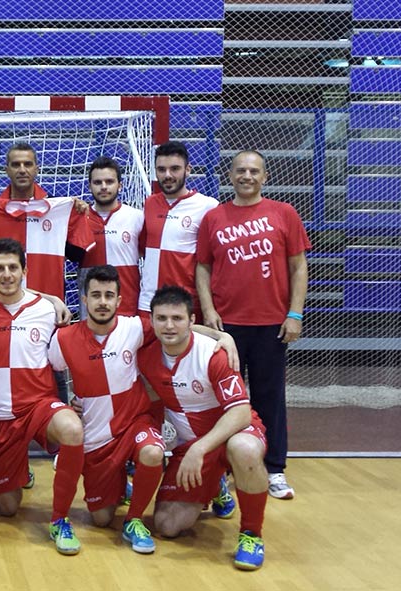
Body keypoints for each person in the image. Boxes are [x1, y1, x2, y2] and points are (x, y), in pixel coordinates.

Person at [195, 150, 311, 500]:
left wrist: (295, 313)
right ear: (230, 175)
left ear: (265, 176)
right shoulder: (214, 217)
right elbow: (203, 267)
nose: (247, 176)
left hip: (271, 324)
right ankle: (221, 469)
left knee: (269, 397)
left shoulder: (284, 213)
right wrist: (208, 310)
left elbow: (298, 267)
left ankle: (274, 468)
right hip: (226, 325)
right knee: (222, 400)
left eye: (254, 171)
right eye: (241, 170)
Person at [139, 285, 271, 571]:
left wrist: (200, 447)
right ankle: (216, 485)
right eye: (161, 318)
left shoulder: (214, 354)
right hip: (192, 447)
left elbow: (240, 412)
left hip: (229, 435)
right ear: (151, 321)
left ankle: (251, 534)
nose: (169, 325)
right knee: (166, 526)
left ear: (191, 320)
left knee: (244, 449)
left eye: (177, 318)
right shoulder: (147, 356)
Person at [0, 238, 85, 554]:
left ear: (24, 270)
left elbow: (73, 351)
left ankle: (60, 519)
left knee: (73, 429)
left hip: (38, 405)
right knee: (8, 508)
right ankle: (19, 469)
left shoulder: (47, 309)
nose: (6, 274)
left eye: (12, 267)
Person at [48, 265, 165, 555]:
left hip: (134, 423)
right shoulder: (63, 339)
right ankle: (117, 486)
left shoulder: (135, 327)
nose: (102, 302)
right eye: (96, 295)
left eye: (109, 295)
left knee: (153, 453)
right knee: (101, 518)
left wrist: (221, 338)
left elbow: (179, 328)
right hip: (97, 436)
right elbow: (48, 377)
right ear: (84, 300)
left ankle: (135, 519)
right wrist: (64, 408)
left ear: (119, 299)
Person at [0, 142, 95, 300]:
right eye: (16, 165)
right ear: (7, 170)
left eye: (27, 164)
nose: (22, 170)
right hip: (2, 305)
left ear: (36, 169)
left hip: (49, 305)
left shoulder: (59, 209)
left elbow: (78, 254)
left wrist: (79, 215)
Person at [138, 141, 218, 318]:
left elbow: (213, 260)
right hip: (148, 302)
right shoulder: (150, 203)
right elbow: (144, 250)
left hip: (186, 303)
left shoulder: (208, 206)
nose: (167, 175)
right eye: (161, 169)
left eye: (174, 168)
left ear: (188, 169)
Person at [78, 157, 143, 317]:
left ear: (120, 185)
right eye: (98, 182)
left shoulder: (137, 217)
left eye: (109, 181)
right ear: (90, 186)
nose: (104, 187)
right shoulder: (78, 219)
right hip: (91, 312)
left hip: (127, 309)